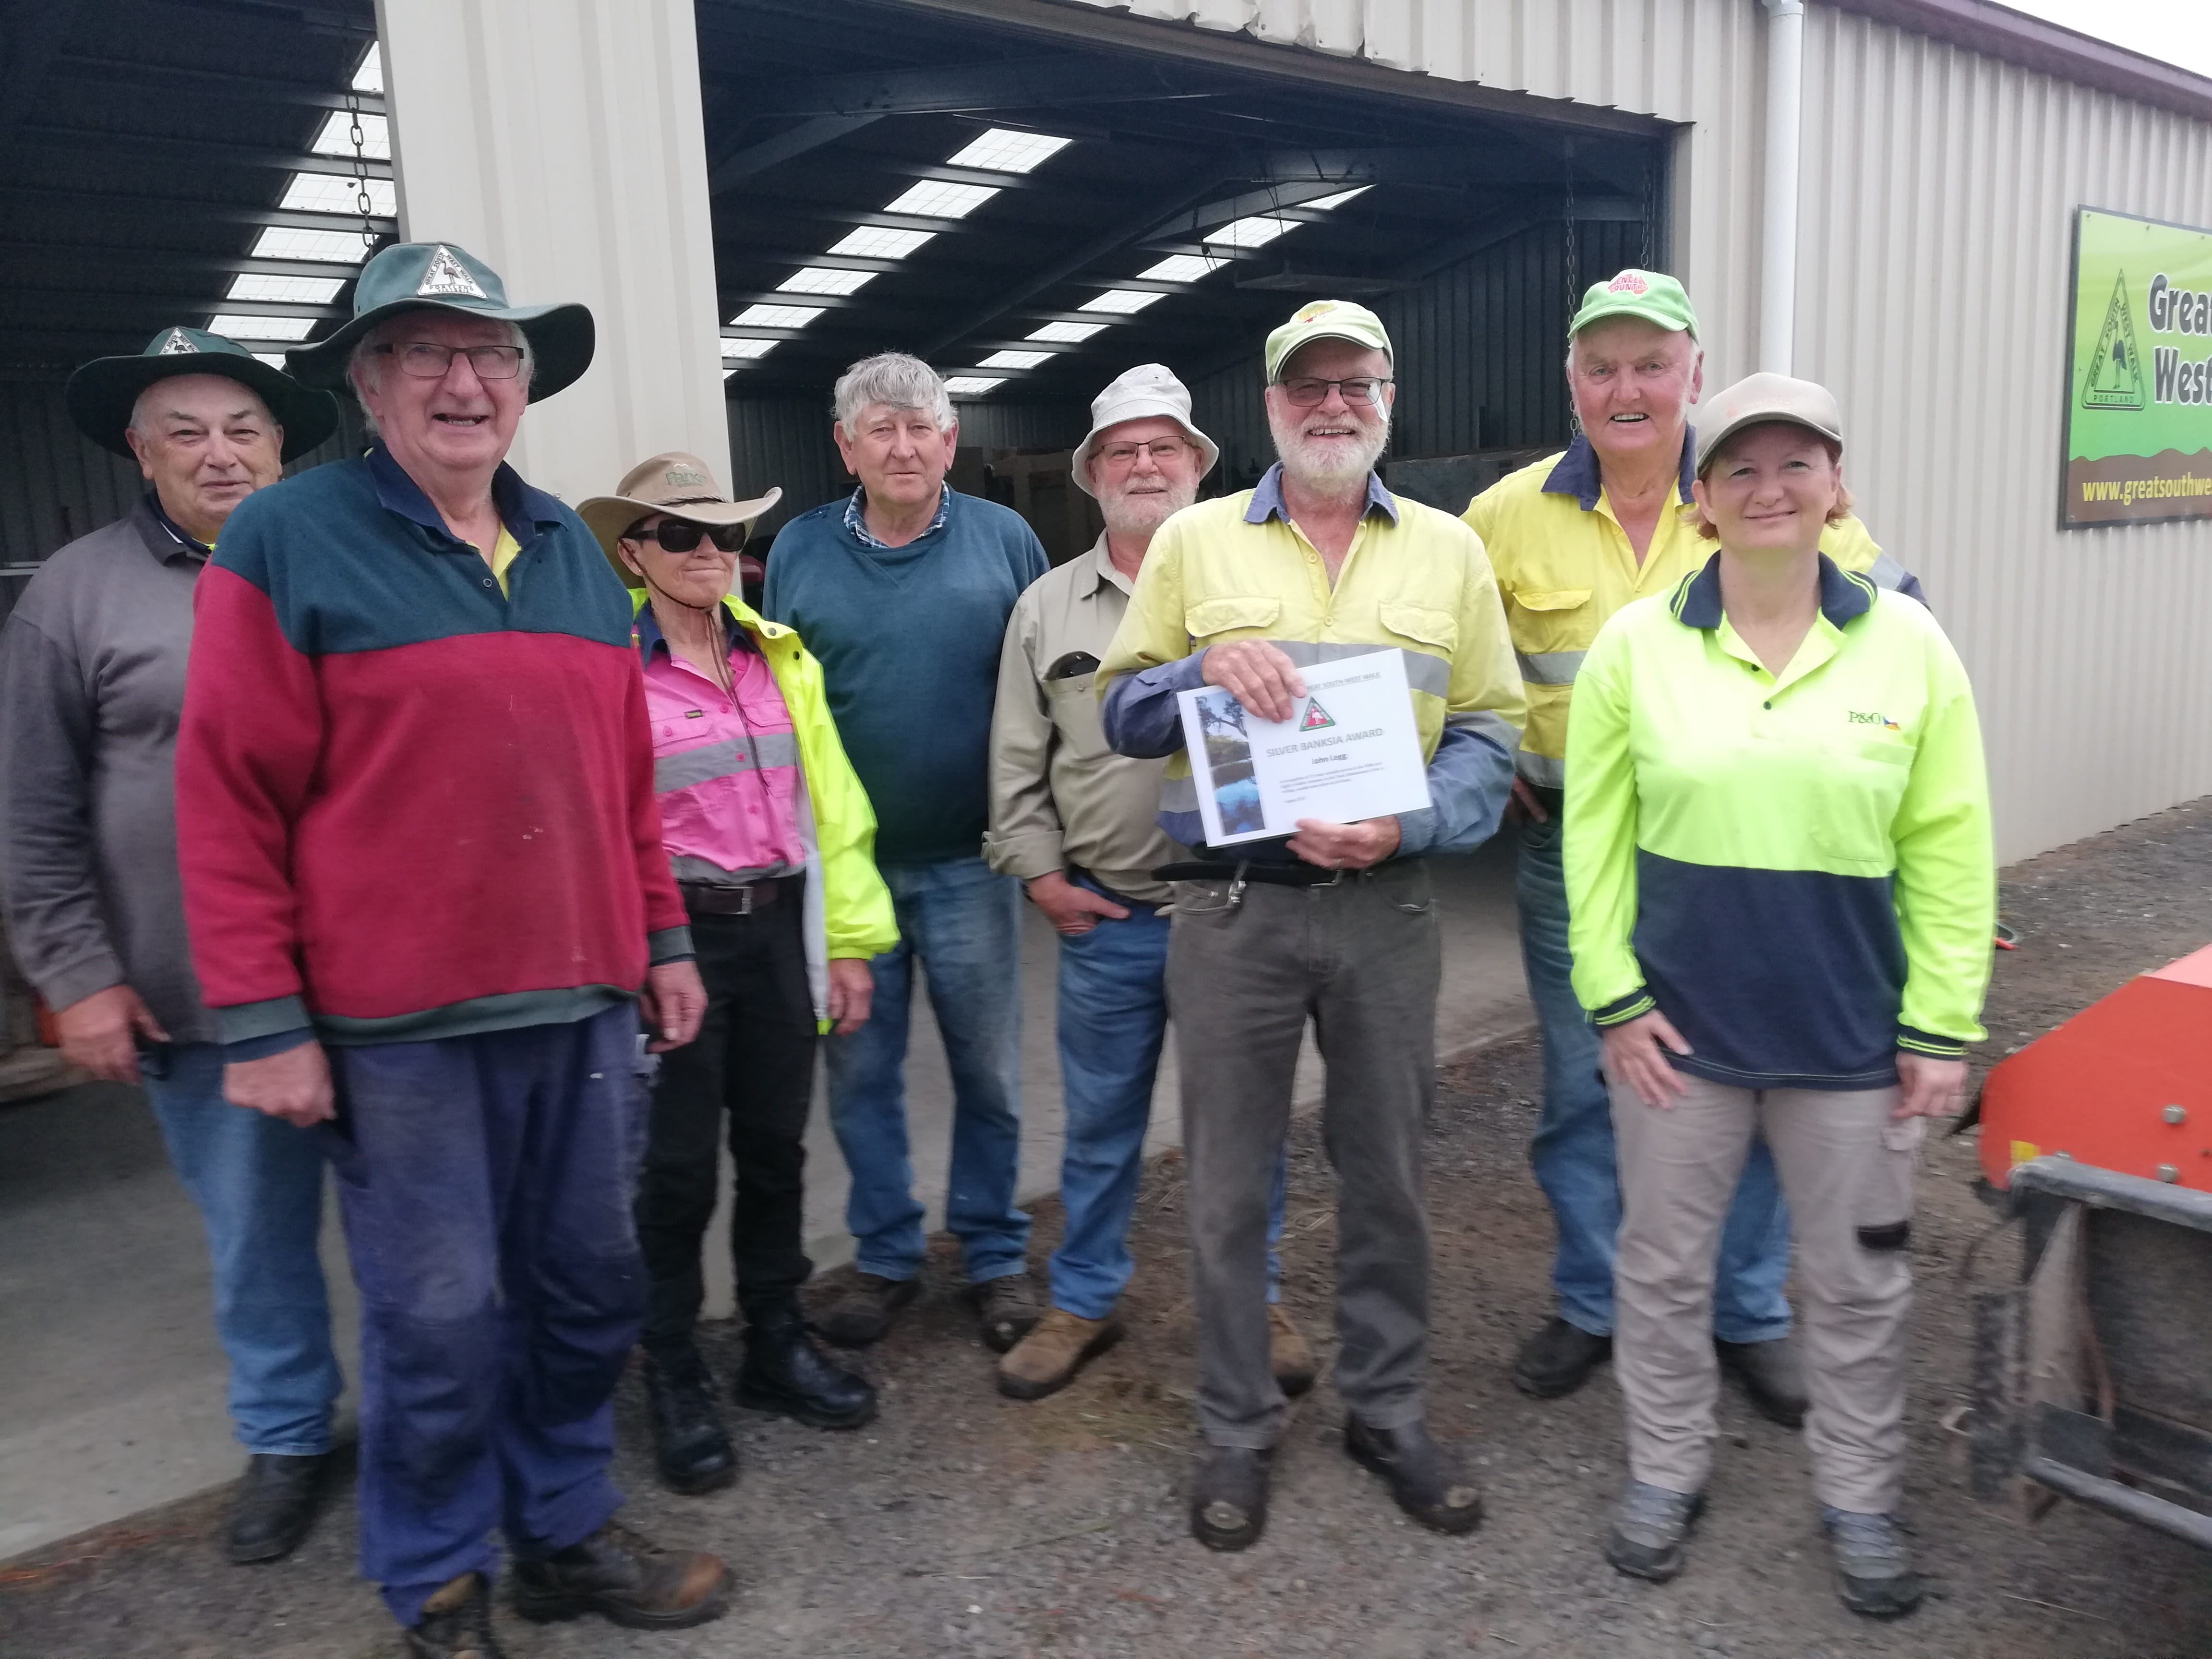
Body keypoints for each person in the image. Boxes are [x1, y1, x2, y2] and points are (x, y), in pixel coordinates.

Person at [173, 242, 725, 1658]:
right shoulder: (284, 541)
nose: (464, 380)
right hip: (397, 1027)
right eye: (424, 352)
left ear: (527, 387)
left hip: (587, 1004)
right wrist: (265, 1018)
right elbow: (228, 796)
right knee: (439, 1320)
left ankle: (561, 1530)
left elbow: (622, 786)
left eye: (492, 355)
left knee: (592, 1287)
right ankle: (433, 1571)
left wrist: (661, 937)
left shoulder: (562, 553)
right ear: (368, 383)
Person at [1097, 301, 1525, 1551]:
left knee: (1388, 1176)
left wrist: (1419, 823)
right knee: (1228, 1186)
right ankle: (1236, 1424)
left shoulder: (1448, 554)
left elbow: (1495, 732)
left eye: (1356, 383)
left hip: (1388, 908)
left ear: (1389, 396)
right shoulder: (1192, 541)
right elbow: (1120, 715)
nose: (1332, 405)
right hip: (1236, 910)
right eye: (1307, 387)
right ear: (1271, 404)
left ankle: (1387, 1411)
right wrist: (1196, 674)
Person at [1564, 373, 1992, 1617]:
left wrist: (1944, 1026)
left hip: (1854, 1043)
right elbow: (1592, 845)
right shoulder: (1637, 647)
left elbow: (1953, 846)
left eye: (1795, 464)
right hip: (1678, 1045)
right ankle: (1665, 1469)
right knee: (1660, 1271)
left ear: (1835, 485)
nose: (1768, 489)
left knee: (1859, 1283)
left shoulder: (1908, 646)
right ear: (1702, 500)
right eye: (1740, 469)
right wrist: (1613, 999)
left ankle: (1860, 1495)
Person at [1464, 270, 1923, 1418]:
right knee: (1584, 1089)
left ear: (1693, 376)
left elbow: (1886, 633)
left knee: (1757, 1085)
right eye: (1604, 366)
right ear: (1572, 382)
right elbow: (1467, 666)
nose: (1629, 388)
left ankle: (1746, 1311)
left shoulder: (1754, 493)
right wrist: (1507, 759)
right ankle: (1593, 1301)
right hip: (1578, 857)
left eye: (1651, 364)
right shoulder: (1503, 516)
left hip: (1744, 864)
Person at [0, 327, 341, 1566]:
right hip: (199, 995)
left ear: (283, 446)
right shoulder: (75, 594)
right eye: (185, 432)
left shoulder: (338, 562)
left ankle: (440, 1419)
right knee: (256, 1233)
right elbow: (32, 811)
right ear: (141, 457)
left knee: (422, 1221)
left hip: (375, 982)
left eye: (243, 428)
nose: (219, 453)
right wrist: (78, 977)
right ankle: (292, 1433)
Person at [984, 365, 1314, 1402]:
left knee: (1244, 1128)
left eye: (1162, 447)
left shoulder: (1257, 589)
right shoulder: (1046, 606)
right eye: (1121, 450)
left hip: (1236, 914)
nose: (1143, 465)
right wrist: (1040, 877)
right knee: (1099, 1131)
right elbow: (1015, 758)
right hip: (1110, 916)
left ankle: (1252, 1298)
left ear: (1196, 465)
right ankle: (1084, 1300)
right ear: (1091, 474)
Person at [578, 452, 898, 1493]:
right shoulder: (606, 668)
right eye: (682, 535)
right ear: (635, 551)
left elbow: (833, 814)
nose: (710, 552)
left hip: (775, 933)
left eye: (725, 535)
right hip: (676, 943)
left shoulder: (779, 656)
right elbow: (597, 831)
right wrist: (632, 959)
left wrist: (847, 942)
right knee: (673, 1175)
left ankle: (772, 1341)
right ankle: (670, 1366)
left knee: (774, 1152)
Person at [762, 352, 1049, 1355]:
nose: (903, 445)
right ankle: (886, 1255)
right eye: (879, 428)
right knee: (862, 1072)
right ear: (845, 446)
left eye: (921, 426)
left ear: (950, 441)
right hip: (849, 874)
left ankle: (993, 1252)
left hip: (974, 860)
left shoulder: (1006, 540)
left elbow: (1044, 690)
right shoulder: (798, 549)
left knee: (990, 1072)